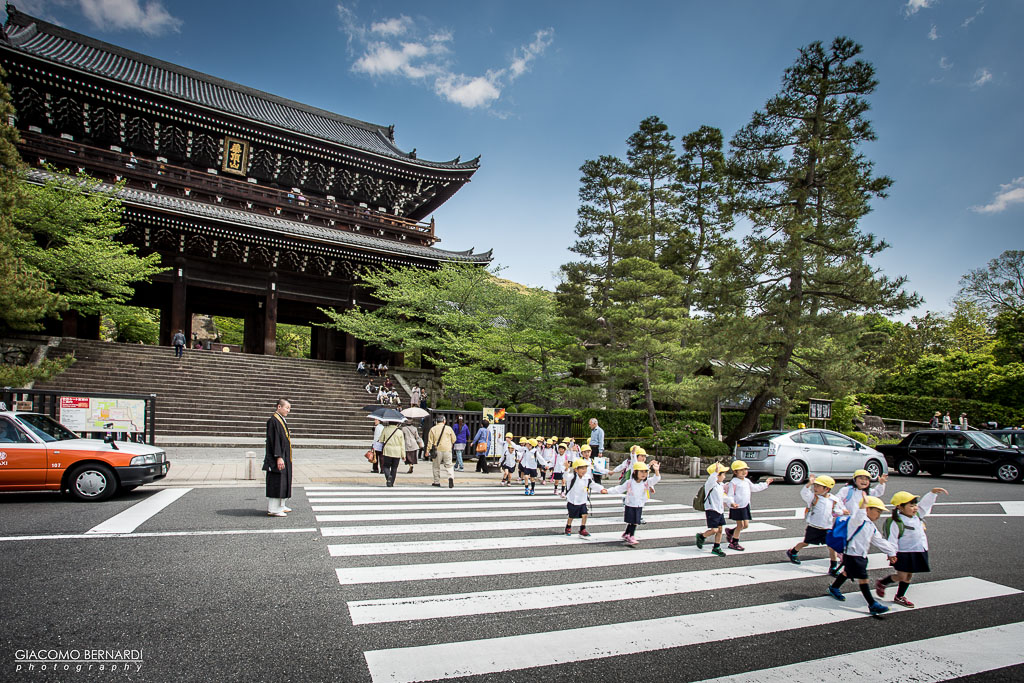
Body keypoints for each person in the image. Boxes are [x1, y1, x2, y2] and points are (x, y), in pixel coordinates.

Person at [875, 487, 948, 607]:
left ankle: (899, 596)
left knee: (908, 575)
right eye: (911, 505)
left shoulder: (917, 515)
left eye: (915, 505)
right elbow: (891, 539)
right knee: (902, 576)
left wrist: (932, 493)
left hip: (918, 550)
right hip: (903, 553)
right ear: (900, 507)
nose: (915, 508)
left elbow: (924, 505)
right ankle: (883, 583)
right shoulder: (896, 522)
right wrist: (891, 553)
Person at [826, 496, 898, 615]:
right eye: (878, 511)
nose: (879, 515)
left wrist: (891, 552)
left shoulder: (870, 525)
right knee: (863, 579)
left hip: (861, 555)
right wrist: (863, 505)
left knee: (847, 573)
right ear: (867, 509)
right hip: (852, 554)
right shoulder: (857, 521)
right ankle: (872, 604)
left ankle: (834, 588)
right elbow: (858, 516)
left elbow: (879, 541)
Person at [786, 475, 844, 574]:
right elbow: (804, 493)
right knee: (806, 543)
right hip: (814, 527)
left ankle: (833, 567)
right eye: (815, 485)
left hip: (827, 528)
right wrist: (809, 483)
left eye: (818, 486)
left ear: (827, 489)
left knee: (831, 547)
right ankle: (793, 552)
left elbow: (837, 510)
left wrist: (843, 512)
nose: (815, 488)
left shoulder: (834, 500)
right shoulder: (813, 497)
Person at [603, 461, 661, 546]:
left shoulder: (646, 482)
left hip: (639, 505)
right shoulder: (630, 482)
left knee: (634, 521)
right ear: (635, 472)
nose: (644, 474)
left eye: (645, 472)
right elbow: (619, 488)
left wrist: (656, 471)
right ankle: (631, 535)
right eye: (641, 471)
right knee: (633, 521)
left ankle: (627, 534)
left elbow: (656, 479)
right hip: (630, 504)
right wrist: (607, 491)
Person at [725, 460, 774, 551]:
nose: (744, 472)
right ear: (735, 472)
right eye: (741, 470)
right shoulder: (734, 482)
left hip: (745, 505)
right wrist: (731, 503)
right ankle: (734, 543)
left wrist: (765, 484)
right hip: (737, 506)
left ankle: (731, 531)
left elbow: (754, 488)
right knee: (740, 525)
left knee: (745, 525)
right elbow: (730, 495)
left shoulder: (746, 481)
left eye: (745, 469)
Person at [263, 399, 293, 517]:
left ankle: (281, 505)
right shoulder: (273, 421)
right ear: (279, 407)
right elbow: (274, 440)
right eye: (287, 408)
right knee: (277, 481)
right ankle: (274, 509)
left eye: (289, 408)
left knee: (284, 480)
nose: (288, 410)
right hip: (278, 456)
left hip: (284, 455)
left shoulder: (280, 420)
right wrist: (279, 456)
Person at [695, 463, 731, 556]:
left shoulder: (720, 485)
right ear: (717, 475)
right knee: (714, 530)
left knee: (719, 530)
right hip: (712, 509)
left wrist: (732, 503)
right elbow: (711, 479)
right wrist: (715, 471)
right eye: (723, 474)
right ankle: (701, 536)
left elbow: (723, 496)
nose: (724, 476)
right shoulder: (710, 484)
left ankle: (716, 547)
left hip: (720, 510)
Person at [564, 458, 605, 537]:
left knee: (585, 514)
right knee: (571, 515)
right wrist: (566, 469)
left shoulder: (587, 477)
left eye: (585, 468)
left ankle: (582, 528)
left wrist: (601, 489)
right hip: (573, 500)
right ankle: (568, 527)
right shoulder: (572, 477)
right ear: (576, 470)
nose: (584, 470)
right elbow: (566, 477)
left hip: (582, 500)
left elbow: (593, 485)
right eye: (582, 469)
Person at [426, 415, 457, 488]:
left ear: (436, 421)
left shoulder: (433, 429)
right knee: (449, 465)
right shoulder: (449, 429)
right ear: (444, 421)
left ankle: (436, 482)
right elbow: (454, 439)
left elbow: (430, 442)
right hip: (447, 449)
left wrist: (427, 451)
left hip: (437, 450)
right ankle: (450, 477)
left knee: (436, 466)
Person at [377, 418, 406, 487]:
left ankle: (388, 476)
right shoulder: (399, 432)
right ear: (397, 423)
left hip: (387, 451)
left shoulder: (385, 429)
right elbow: (402, 444)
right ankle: (391, 482)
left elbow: (381, 440)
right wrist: (403, 455)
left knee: (386, 466)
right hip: (397, 451)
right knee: (394, 467)